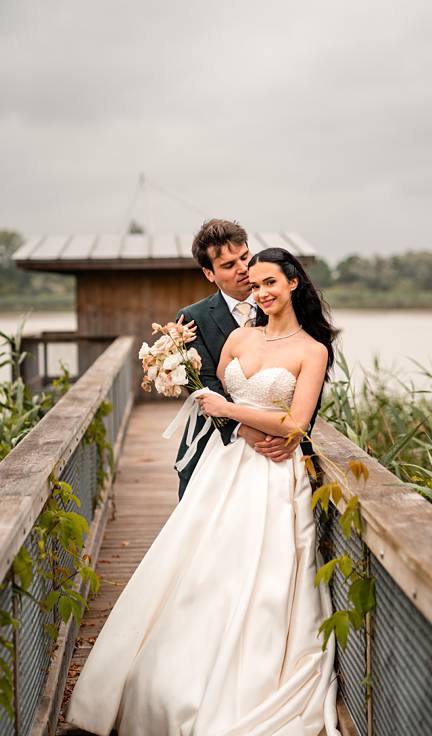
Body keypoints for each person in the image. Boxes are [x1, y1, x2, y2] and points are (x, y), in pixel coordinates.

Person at [66, 247, 341, 735]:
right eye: (254, 285)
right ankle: (174, 677)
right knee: (202, 572)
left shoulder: (312, 350)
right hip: (226, 467)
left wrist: (230, 410)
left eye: (270, 282)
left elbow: (296, 424)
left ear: (293, 283)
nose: (261, 292)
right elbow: (213, 393)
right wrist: (224, 410)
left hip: (276, 476)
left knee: (264, 581)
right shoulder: (238, 337)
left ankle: (246, 679)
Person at [172, 220, 299, 499]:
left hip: (280, 447)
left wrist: (297, 432)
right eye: (229, 265)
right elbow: (202, 385)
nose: (243, 268)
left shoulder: (284, 305)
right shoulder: (193, 318)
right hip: (215, 444)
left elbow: (309, 378)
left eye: (245, 257)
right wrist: (241, 429)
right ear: (209, 273)